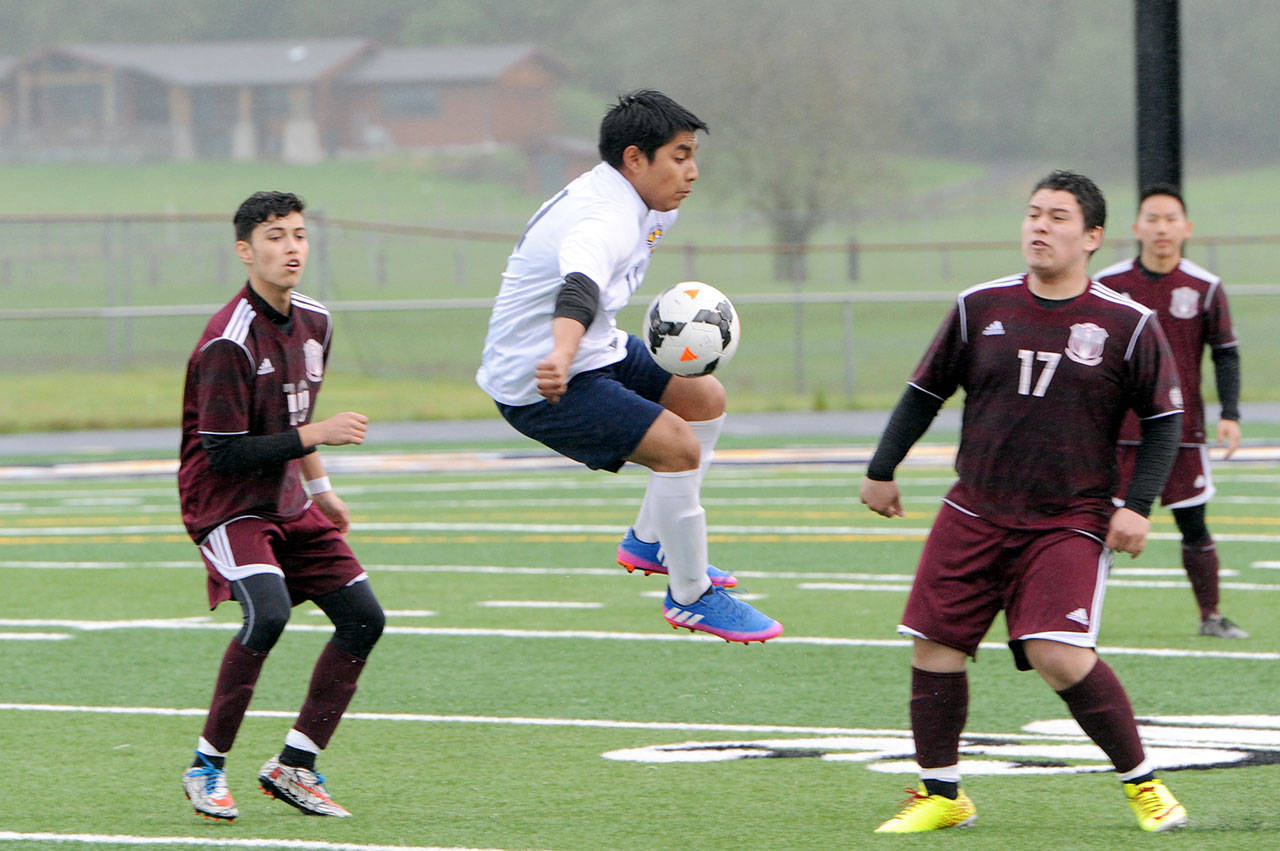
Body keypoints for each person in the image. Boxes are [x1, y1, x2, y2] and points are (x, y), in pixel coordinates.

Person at [860, 171, 1188, 833]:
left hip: (1069, 518)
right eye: (1033, 214)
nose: (1040, 226)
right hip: (974, 507)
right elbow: (925, 392)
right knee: (934, 646)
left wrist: (1138, 505)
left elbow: (1163, 421)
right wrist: (881, 466)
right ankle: (942, 793)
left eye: (1059, 217)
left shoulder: (1128, 324)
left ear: (1092, 236)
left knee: (1057, 651)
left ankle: (1143, 782)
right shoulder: (979, 307)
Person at [476, 90, 781, 643]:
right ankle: (690, 596)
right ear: (636, 159)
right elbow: (579, 288)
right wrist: (563, 354)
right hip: (540, 377)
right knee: (678, 448)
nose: (691, 171)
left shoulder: (649, 203)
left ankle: (649, 540)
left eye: (693, 155)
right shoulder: (605, 216)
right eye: (680, 155)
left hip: (598, 348)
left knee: (705, 400)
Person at [178, 191, 385, 821]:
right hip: (227, 505)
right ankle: (206, 767)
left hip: (289, 501)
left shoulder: (317, 320)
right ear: (245, 251)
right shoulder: (227, 341)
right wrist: (316, 438)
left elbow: (293, 415)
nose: (291, 247)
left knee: (364, 619)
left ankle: (296, 765)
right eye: (274, 236)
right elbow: (226, 455)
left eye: (298, 234)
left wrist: (323, 490)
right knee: (267, 614)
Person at [1095, 184, 1246, 638]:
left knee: (1194, 523)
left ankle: (1211, 616)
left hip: (1183, 431)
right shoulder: (1110, 285)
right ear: (1137, 228)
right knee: (1097, 526)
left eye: (1171, 219)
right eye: (1153, 219)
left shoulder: (1204, 287)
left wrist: (1231, 413)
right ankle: (1078, 615)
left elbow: (1225, 354)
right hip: (1118, 431)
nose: (1162, 228)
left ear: (1186, 228)